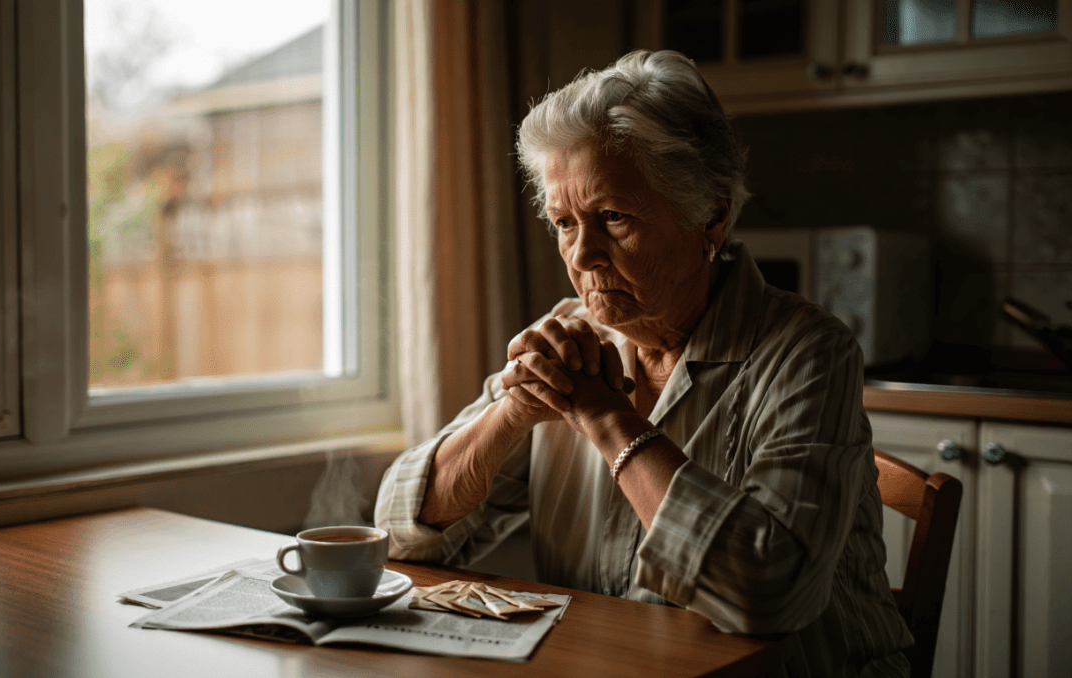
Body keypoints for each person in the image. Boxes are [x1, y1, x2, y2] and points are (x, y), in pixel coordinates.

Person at [375, 50, 912, 677]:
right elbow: (397, 532)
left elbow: (769, 596)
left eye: (612, 217)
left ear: (711, 214)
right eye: (563, 223)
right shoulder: (571, 336)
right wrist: (511, 413)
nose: (583, 255)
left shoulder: (808, 352)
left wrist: (610, 421)